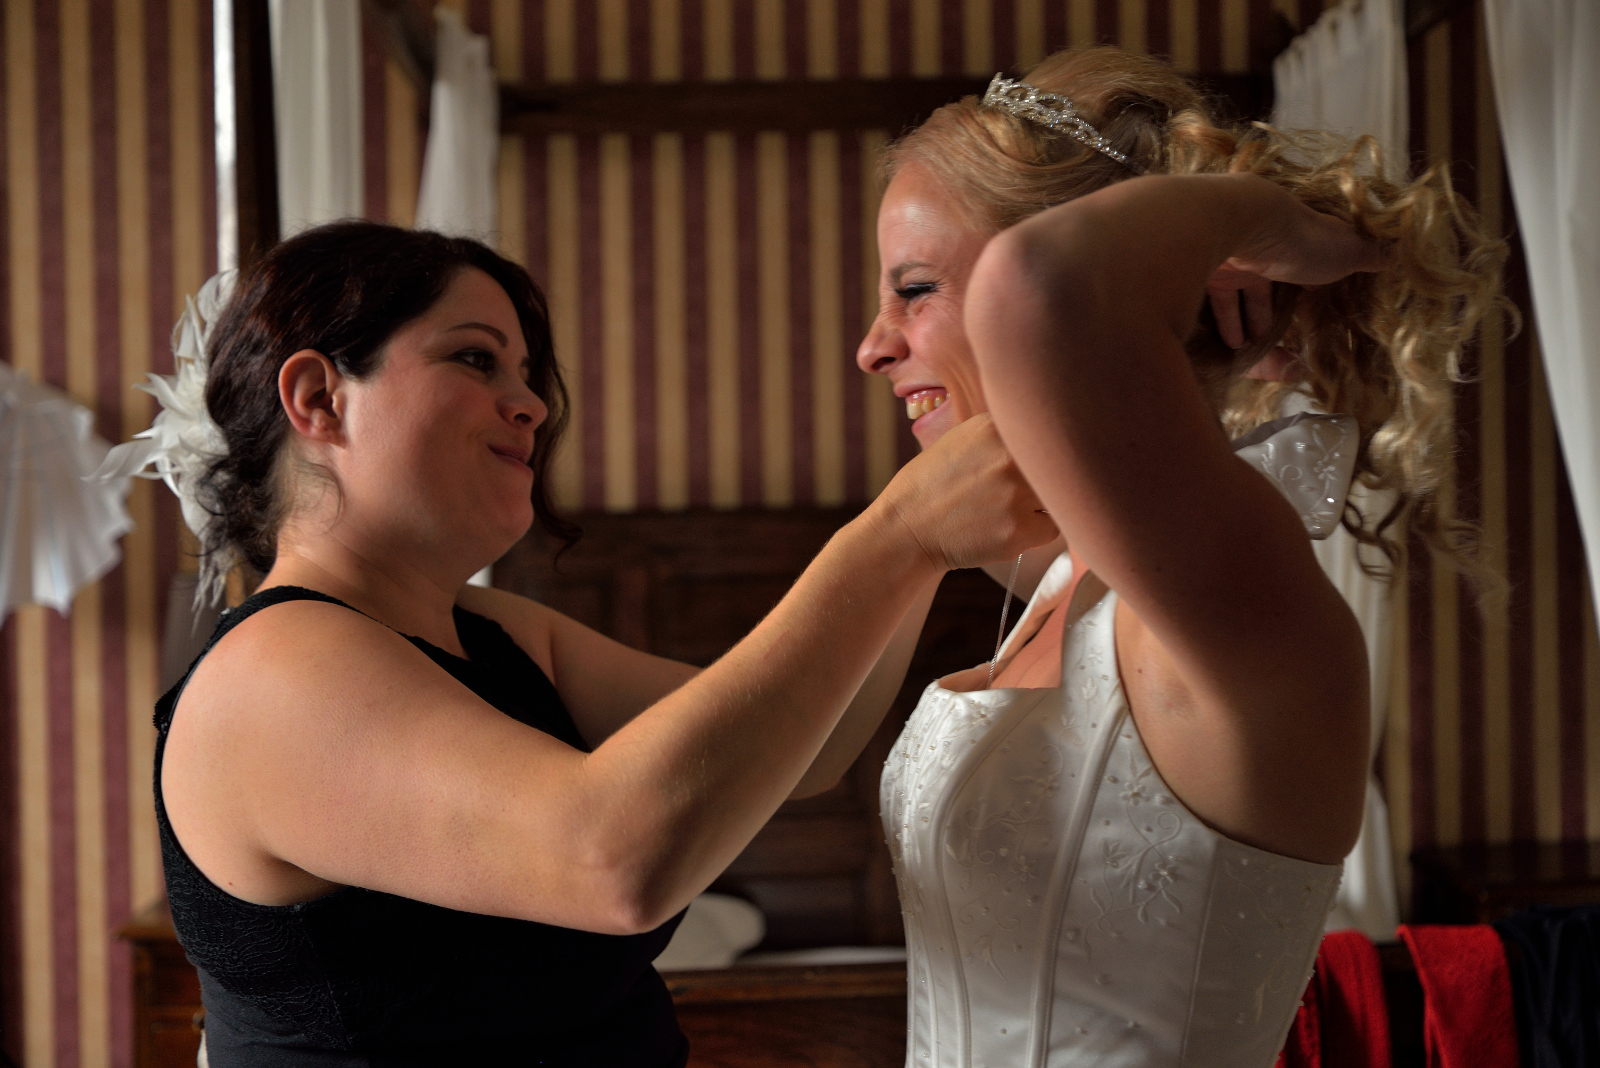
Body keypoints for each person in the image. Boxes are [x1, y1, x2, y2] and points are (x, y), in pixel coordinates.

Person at [152, 221, 1055, 1066]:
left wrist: (924, 550)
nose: (531, 407)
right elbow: (613, 861)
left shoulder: (498, 633)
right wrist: (894, 535)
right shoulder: (271, 676)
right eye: (476, 359)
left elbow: (803, 748)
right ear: (319, 398)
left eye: (525, 373)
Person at [858, 47, 1504, 1067]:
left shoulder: (1240, 591)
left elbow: (1040, 287)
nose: (873, 345)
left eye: (916, 289)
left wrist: (1255, 217)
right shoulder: (1065, 585)